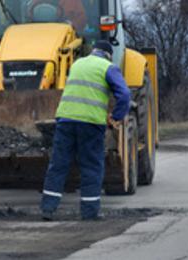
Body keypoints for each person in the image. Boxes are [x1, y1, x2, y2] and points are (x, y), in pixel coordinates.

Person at [40, 40, 130, 221]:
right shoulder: (108, 67)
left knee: (58, 165)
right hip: (90, 123)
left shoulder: (77, 64)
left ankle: (48, 209)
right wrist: (116, 116)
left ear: (93, 51)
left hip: (65, 120)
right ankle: (89, 212)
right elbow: (125, 94)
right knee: (91, 166)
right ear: (108, 55)